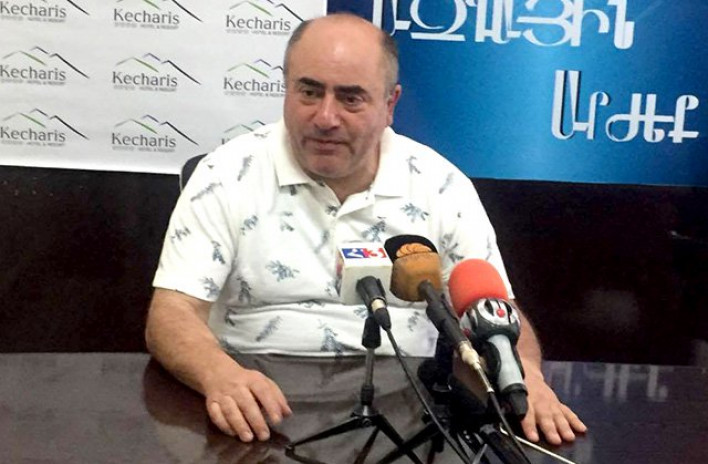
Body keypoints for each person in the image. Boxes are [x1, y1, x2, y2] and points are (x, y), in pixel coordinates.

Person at [145, 13, 586, 447]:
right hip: (259, 410)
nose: (325, 117)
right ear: (286, 88)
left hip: (414, 412)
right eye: (309, 91)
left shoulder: (440, 185)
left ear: (390, 104)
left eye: (351, 98)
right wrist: (219, 375)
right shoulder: (226, 174)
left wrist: (525, 378)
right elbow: (173, 313)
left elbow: (493, 313)